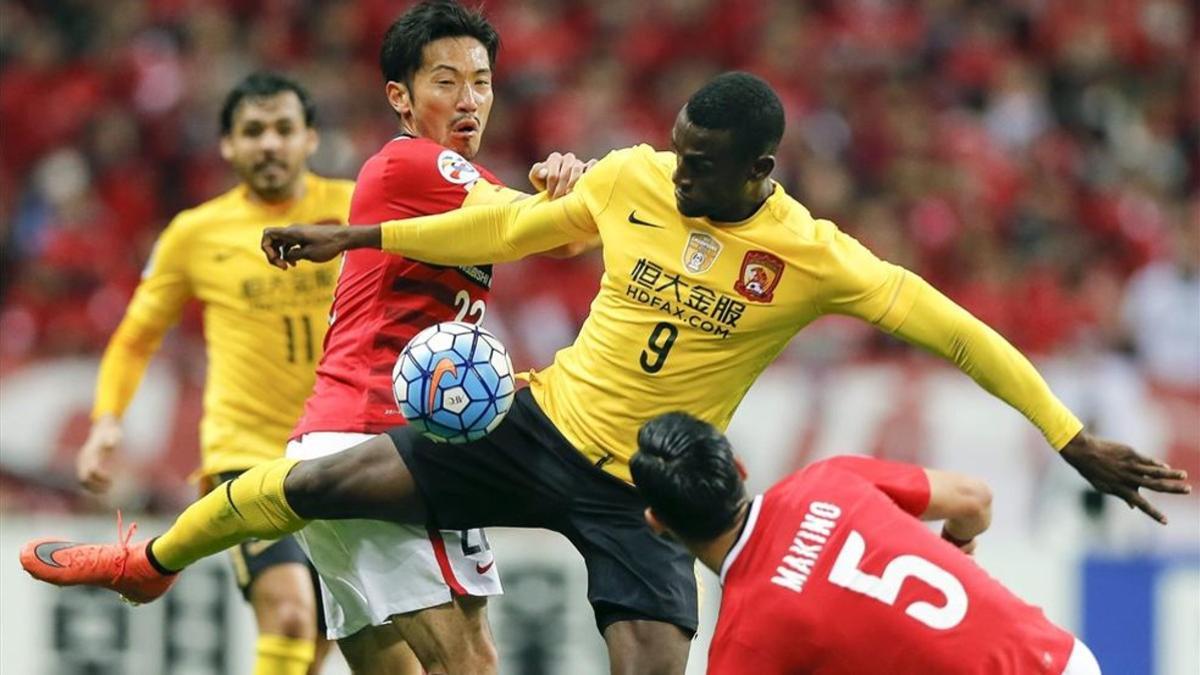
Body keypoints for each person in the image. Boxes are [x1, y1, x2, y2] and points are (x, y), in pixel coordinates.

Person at [22, 72, 1189, 675]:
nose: (673, 173)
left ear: (760, 169)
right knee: (321, 482)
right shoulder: (632, 177)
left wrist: (1065, 433)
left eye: (700, 165)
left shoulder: (818, 257)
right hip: (538, 426)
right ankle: (153, 561)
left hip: (644, 492)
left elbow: (961, 336)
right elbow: (523, 235)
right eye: (675, 151)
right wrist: (359, 240)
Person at [69, 72, 354, 675]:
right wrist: (106, 422)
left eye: (283, 129)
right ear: (227, 146)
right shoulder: (195, 234)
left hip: (343, 447)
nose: (269, 144)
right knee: (291, 616)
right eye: (253, 132)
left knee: (325, 636)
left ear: (311, 138)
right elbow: (135, 335)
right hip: (244, 453)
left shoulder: (355, 210)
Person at [630, 411, 1104, 674]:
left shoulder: (743, 644)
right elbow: (973, 499)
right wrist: (957, 547)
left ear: (658, 523)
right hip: (1062, 659)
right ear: (738, 468)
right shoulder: (826, 479)